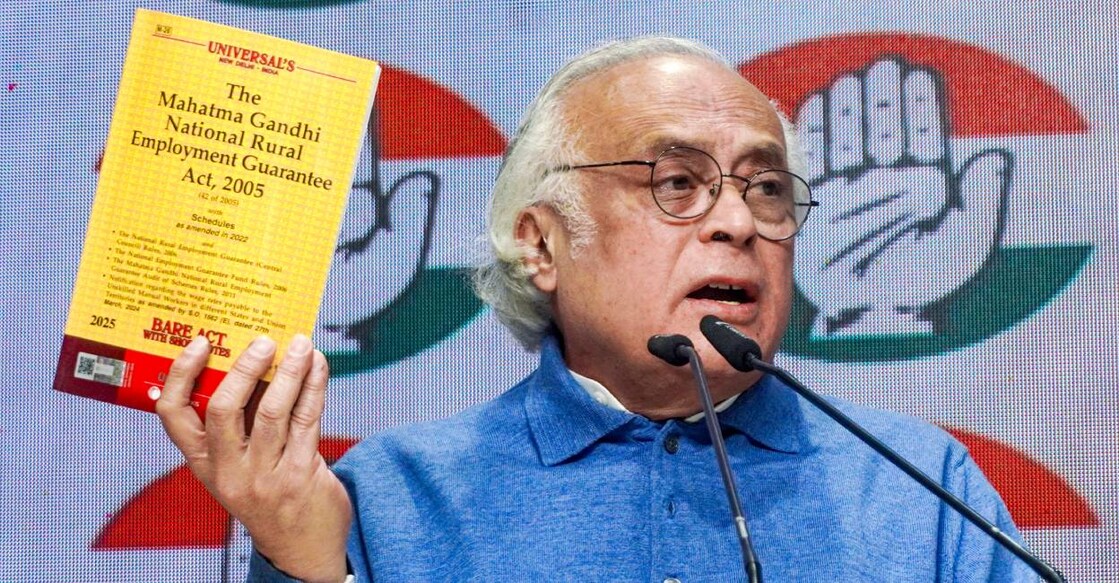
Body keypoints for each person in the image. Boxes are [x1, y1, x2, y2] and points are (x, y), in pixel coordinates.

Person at [157, 37, 1034, 582]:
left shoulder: (923, 488)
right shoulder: (391, 499)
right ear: (539, 245)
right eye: (677, 182)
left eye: (766, 187)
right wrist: (309, 567)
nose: (737, 220)